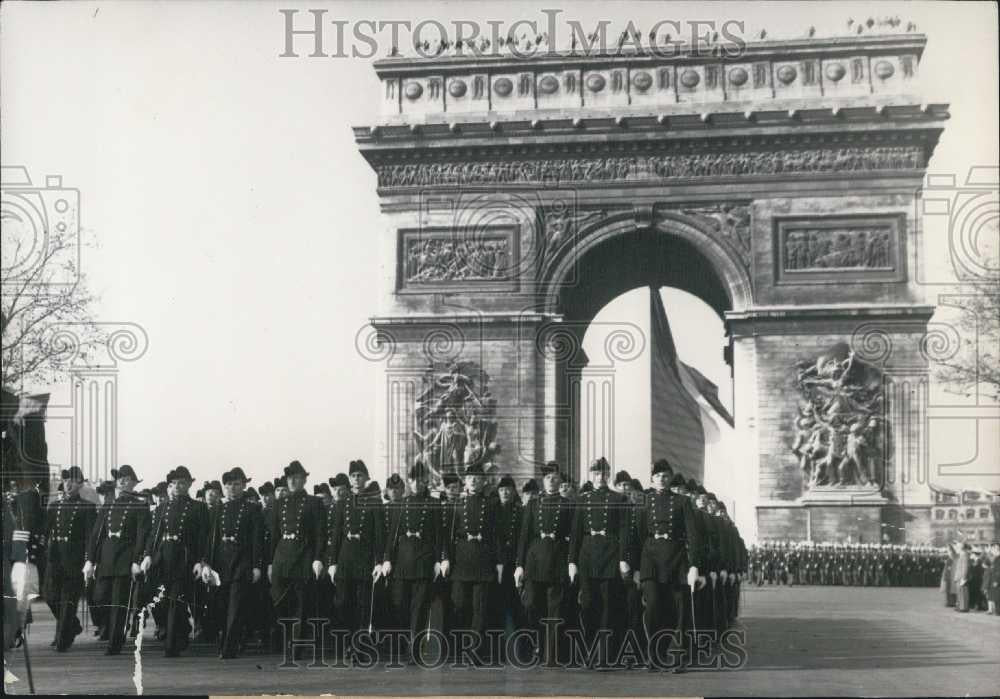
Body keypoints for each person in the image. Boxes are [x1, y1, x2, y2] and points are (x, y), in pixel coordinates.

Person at [636, 461, 703, 672]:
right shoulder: (644, 502)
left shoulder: (682, 502)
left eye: (666, 476)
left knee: (679, 610)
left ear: (670, 478)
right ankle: (654, 655)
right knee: (654, 606)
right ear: (652, 479)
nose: (662, 479)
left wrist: (694, 566)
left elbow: (694, 536)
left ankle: (678, 657)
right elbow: (637, 536)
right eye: (658, 476)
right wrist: (637, 566)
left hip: (676, 559)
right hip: (651, 560)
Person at [140, 466, 209, 657]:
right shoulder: (162, 508)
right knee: (161, 600)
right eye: (174, 483)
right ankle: (182, 629)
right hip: (162, 558)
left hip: (184, 558)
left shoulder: (198, 507)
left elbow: (203, 538)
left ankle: (171, 645)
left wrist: (200, 562)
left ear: (189, 485)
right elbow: (154, 535)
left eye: (182, 483)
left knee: (174, 600)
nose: (178, 486)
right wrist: (147, 556)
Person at [381, 461, 446, 664]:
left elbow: (439, 536)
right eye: (413, 480)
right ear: (409, 482)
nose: (416, 483)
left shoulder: (434, 504)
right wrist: (387, 559)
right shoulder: (401, 504)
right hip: (402, 562)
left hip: (424, 562)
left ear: (426, 481)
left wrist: (439, 560)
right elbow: (392, 536)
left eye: (420, 480)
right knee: (399, 604)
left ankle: (414, 652)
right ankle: (405, 646)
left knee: (419, 609)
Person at [569, 457, 630, 670]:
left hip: (610, 555)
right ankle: (589, 652)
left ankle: (604, 656)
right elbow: (576, 533)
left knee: (607, 607)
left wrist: (623, 559)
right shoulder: (582, 499)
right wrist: (571, 562)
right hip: (587, 556)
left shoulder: (619, 499)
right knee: (587, 606)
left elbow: (624, 531)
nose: (600, 477)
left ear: (608, 475)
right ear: (591, 475)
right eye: (596, 473)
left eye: (604, 473)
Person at [85, 464, 151, 655]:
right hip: (106, 559)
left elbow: (142, 535)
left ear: (133, 483)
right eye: (120, 479)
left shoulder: (140, 505)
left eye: (127, 479)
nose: (123, 481)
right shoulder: (109, 505)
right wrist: (90, 559)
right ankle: (112, 631)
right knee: (99, 597)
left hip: (125, 559)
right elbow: (96, 535)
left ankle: (114, 643)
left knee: (118, 603)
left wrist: (137, 560)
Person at [515, 462, 574, 667]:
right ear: (543, 480)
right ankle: (539, 643)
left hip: (557, 559)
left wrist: (571, 562)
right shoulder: (533, 504)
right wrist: (519, 565)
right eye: (548, 477)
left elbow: (573, 537)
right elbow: (524, 536)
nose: (551, 480)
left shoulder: (567, 504)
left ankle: (551, 656)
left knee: (555, 610)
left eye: (555, 477)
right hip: (534, 560)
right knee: (531, 604)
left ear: (560, 480)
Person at [201, 467, 263, 659]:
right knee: (221, 605)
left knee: (236, 606)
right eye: (228, 485)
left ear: (244, 486)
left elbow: (257, 539)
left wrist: (256, 565)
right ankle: (230, 640)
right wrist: (207, 564)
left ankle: (229, 647)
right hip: (221, 562)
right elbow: (211, 539)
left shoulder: (252, 509)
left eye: (236, 484)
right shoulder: (218, 509)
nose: (232, 488)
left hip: (242, 561)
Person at [326, 460, 385, 659]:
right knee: (343, 603)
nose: (356, 479)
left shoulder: (375, 503)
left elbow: (379, 535)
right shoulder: (343, 503)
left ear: (367, 478)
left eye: (360, 475)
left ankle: (358, 646)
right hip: (345, 558)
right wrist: (332, 562)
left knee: (362, 604)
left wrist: (378, 561)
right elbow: (335, 535)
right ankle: (349, 641)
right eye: (353, 476)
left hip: (364, 558)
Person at [268, 460, 324, 658]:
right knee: (279, 601)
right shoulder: (278, 503)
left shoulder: (313, 503)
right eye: (290, 478)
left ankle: (296, 648)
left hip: (303, 555)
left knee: (301, 604)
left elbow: (320, 534)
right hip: (281, 556)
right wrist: (269, 563)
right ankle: (286, 640)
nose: (292, 481)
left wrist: (318, 558)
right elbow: (273, 535)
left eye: (297, 478)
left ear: (304, 480)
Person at [446, 461, 499, 664]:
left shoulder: (490, 505)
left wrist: (499, 562)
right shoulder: (457, 504)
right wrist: (445, 559)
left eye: (478, 478)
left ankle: (473, 650)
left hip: (483, 558)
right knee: (458, 603)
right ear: (465, 482)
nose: (474, 481)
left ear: (483, 481)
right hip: (461, 558)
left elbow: (496, 535)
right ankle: (460, 647)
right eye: (470, 478)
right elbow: (448, 535)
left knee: (480, 608)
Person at [44, 466, 97, 651]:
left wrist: (89, 560)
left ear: (80, 483)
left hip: (74, 559)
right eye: (66, 480)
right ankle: (72, 625)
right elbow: (45, 532)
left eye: (73, 481)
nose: (68, 484)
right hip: (55, 557)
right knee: (50, 597)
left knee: (68, 600)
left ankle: (63, 639)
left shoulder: (87, 507)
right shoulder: (54, 506)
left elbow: (91, 537)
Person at [492, 475, 523, 663]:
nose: (505, 492)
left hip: (513, 564)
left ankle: (521, 650)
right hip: (495, 565)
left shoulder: (520, 511)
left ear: (513, 492)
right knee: (495, 608)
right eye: (502, 489)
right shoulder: (492, 510)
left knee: (516, 608)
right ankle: (496, 651)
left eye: (508, 489)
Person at [953, 542, 971, 612]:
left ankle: (963, 607)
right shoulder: (962, 555)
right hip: (959, 577)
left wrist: (963, 578)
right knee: (960, 593)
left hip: (962, 577)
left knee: (963, 593)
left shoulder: (964, 555)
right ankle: (960, 606)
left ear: (961, 548)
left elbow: (965, 567)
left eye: (957, 547)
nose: (956, 548)